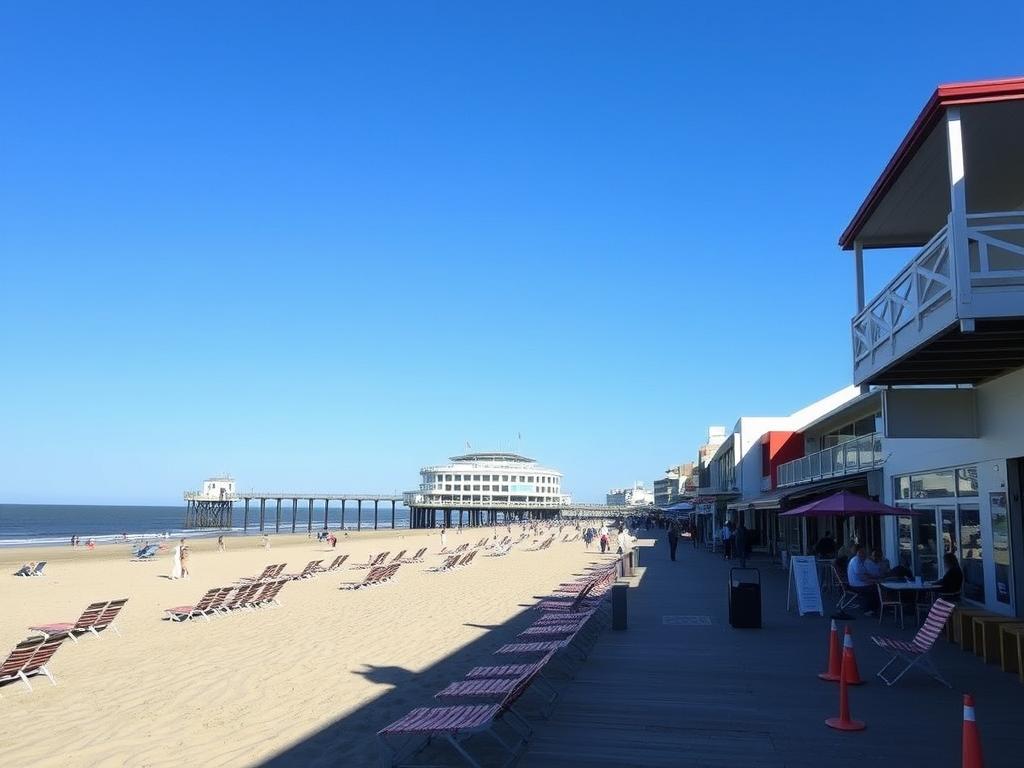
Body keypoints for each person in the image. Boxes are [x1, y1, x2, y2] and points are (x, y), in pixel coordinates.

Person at [846, 544, 879, 615]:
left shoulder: (859, 561)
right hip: (856, 585)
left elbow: (865, 573)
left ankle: (874, 608)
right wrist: (873, 581)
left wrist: (873, 578)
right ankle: (869, 609)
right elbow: (861, 576)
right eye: (864, 552)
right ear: (859, 552)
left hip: (857, 583)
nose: (866, 554)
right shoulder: (856, 561)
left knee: (875, 586)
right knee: (874, 588)